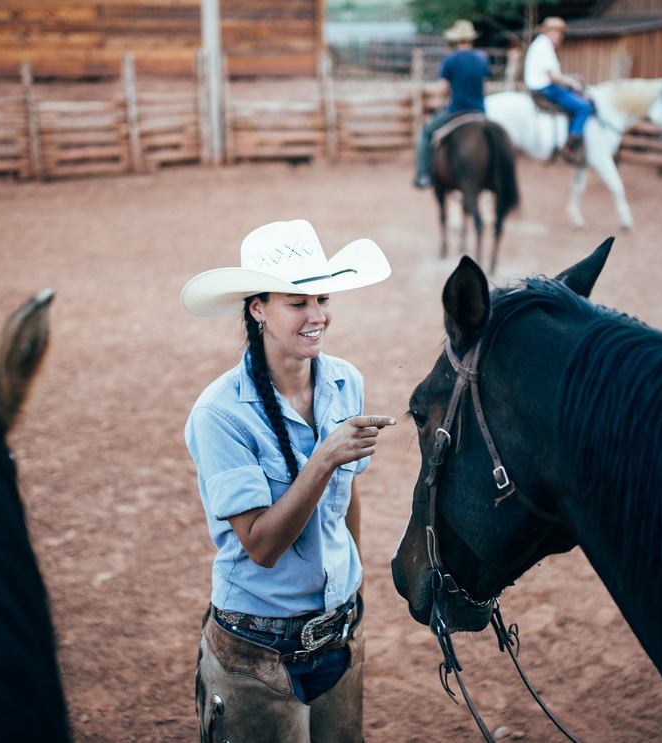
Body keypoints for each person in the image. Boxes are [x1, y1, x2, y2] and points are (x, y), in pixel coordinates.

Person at [181, 219, 397, 742]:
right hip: (256, 651)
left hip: (339, 634)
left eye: (322, 299)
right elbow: (261, 546)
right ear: (257, 309)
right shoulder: (220, 413)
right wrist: (324, 458)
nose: (317, 315)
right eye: (298, 302)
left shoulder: (345, 381)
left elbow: (348, 496)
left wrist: (352, 583)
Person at [413, 18, 491, 189]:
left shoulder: (450, 60)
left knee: (426, 133)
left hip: (457, 110)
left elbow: (443, 88)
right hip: (480, 111)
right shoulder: (482, 59)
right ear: (471, 39)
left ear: (455, 40)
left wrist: (432, 95)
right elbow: (484, 85)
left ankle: (423, 174)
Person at [524, 16, 592, 162]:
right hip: (545, 88)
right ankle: (570, 146)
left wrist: (571, 78)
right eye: (559, 32)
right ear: (550, 32)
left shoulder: (541, 44)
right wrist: (573, 83)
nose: (561, 36)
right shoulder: (545, 46)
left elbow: (553, 74)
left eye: (561, 33)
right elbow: (553, 77)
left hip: (541, 86)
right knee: (584, 107)